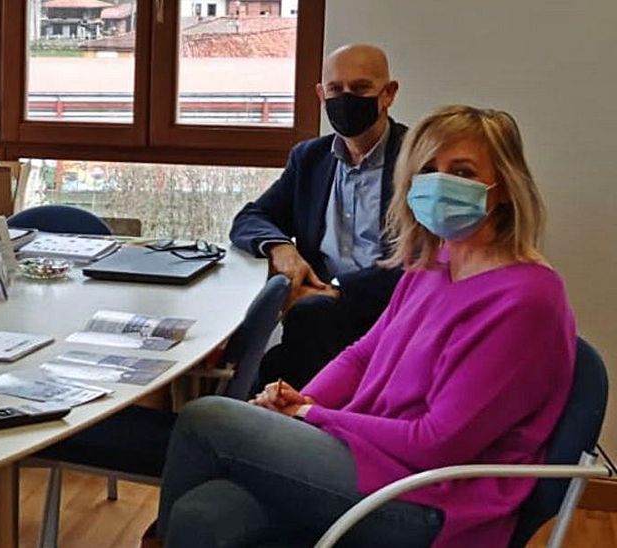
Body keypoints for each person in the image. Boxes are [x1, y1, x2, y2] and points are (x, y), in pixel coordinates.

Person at [156, 105, 576, 548]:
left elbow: (438, 443)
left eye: (463, 172)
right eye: (428, 170)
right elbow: (362, 355)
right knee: (203, 514)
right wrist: (305, 401)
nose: (440, 183)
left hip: (430, 499)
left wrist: (312, 416)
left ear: (505, 186)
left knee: (206, 417)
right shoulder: (433, 264)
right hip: (371, 458)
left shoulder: (526, 300)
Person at [230, 44, 406, 389]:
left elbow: (425, 258)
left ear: (388, 94)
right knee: (260, 372)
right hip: (316, 318)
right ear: (321, 94)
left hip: (388, 312)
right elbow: (250, 218)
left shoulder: (418, 158)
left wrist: (336, 290)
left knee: (297, 339)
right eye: (336, 89)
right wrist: (281, 248)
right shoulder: (310, 158)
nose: (346, 99)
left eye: (360, 89)